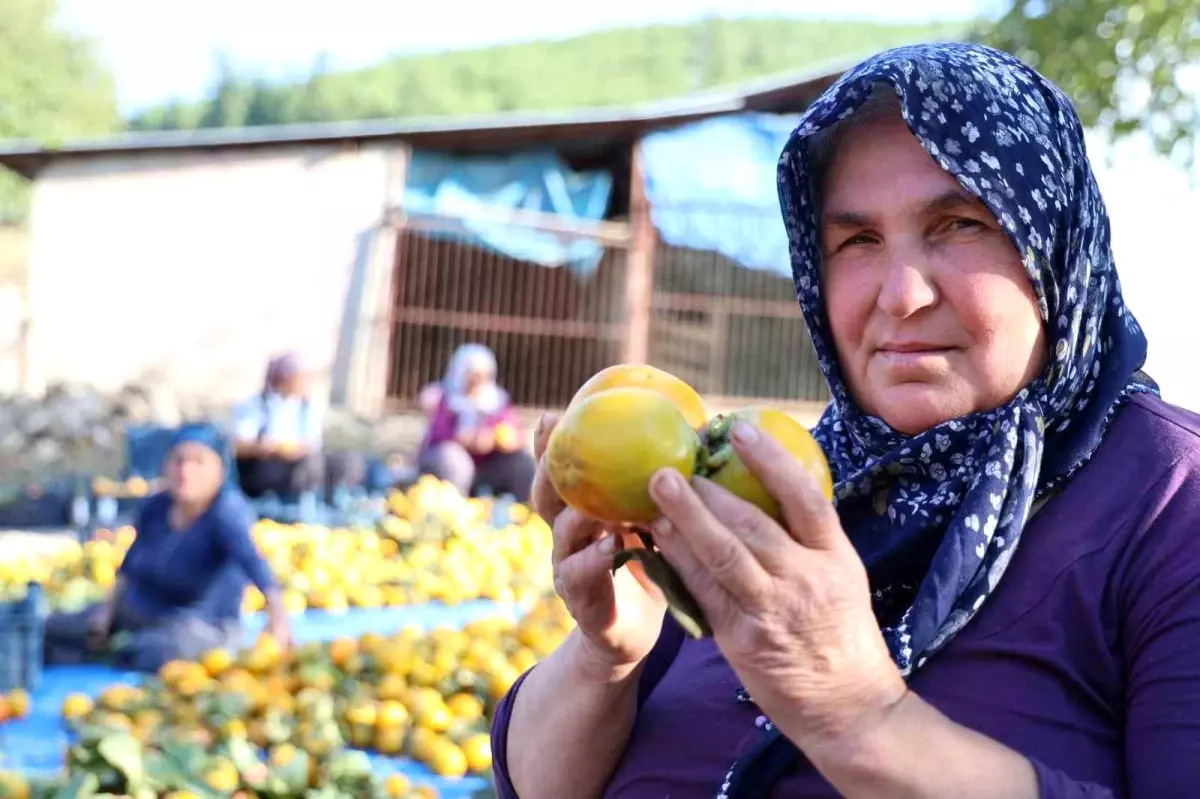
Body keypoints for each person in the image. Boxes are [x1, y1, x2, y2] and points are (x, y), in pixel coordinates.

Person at [491, 43, 1200, 799]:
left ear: (1051, 242)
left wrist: (861, 716)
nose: (900, 296)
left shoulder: (1168, 502)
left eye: (959, 223)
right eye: (857, 240)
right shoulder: (777, 475)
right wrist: (611, 656)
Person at [44, 423, 292, 672]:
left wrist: (278, 622)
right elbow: (128, 569)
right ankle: (103, 648)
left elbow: (257, 567)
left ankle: (113, 652)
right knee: (52, 627)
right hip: (141, 612)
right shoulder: (156, 506)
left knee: (161, 650)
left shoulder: (226, 512)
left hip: (200, 624)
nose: (185, 471)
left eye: (198, 462)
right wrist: (105, 614)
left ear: (219, 470)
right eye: (178, 461)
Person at [232, 352, 365, 501]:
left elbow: (312, 444)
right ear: (285, 378)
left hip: (301, 461)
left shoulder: (306, 407)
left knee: (346, 461)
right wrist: (268, 448)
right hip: (265, 464)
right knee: (306, 466)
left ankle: (334, 501)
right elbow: (239, 446)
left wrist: (298, 450)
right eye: (301, 377)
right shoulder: (257, 405)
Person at [417, 344, 536, 501]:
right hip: (451, 464)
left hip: (488, 464)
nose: (477, 381)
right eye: (473, 375)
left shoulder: (497, 401)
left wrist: (496, 440)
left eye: (482, 376)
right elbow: (439, 434)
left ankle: (520, 509)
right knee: (455, 461)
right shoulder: (446, 399)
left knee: (523, 463)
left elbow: (514, 433)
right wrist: (465, 440)